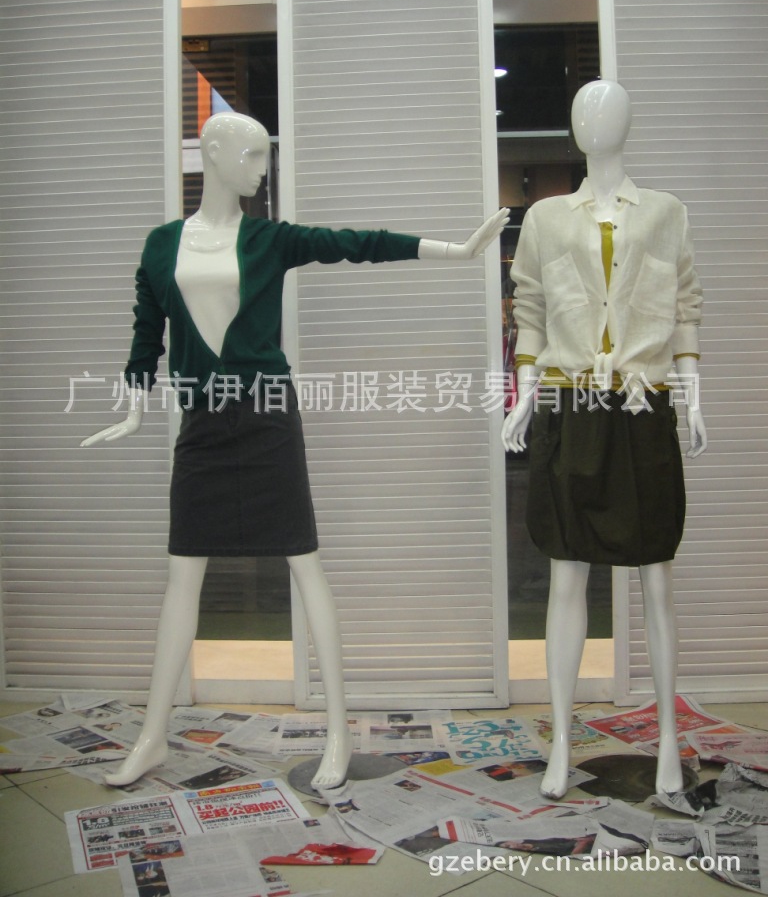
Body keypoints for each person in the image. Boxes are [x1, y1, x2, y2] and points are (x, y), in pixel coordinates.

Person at [83, 111, 508, 790]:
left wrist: (454, 252)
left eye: (264, 155)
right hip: (201, 424)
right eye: (252, 154)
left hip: (267, 418)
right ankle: (152, 737)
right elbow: (147, 333)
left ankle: (338, 733)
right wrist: (134, 402)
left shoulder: (270, 239)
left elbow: (356, 243)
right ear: (213, 154)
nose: (262, 168)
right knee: (182, 574)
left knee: (305, 564)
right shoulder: (161, 245)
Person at [501, 80, 706, 799]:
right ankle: (562, 741)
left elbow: (684, 305)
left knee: (657, 576)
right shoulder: (546, 219)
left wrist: (693, 394)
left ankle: (670, 738)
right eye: (584, 109)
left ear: (627, 122)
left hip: (644, 405)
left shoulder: (666, 213)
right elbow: (529, 309)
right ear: (573, 125)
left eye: (608, 108)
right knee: (566, 573)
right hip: (571, 404)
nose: (595, 120)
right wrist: (524, 396)